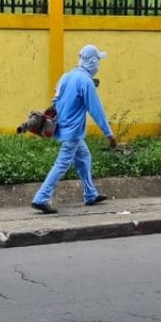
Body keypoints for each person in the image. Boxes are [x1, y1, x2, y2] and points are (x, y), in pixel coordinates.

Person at [31, 44, 117, 214]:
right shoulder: (85, 82)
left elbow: (56, 101)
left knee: (84, 157)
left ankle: (90, 194)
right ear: (92, 61)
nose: (99, 64)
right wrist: (109, 134)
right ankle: (41, 198)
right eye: (98, 60)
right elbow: (96, 110)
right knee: (62, 163)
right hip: (73, 131)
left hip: (64, 127)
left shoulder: (66, 77)